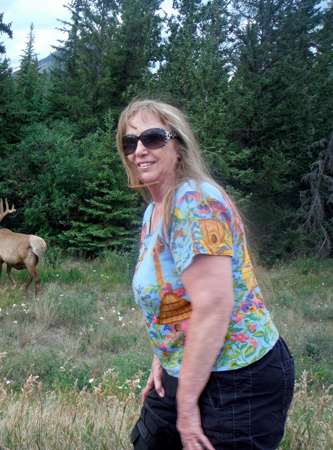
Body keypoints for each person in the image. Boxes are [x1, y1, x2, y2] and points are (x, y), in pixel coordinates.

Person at [116, 99, 295, 450]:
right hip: (188, 368)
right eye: (129, 143)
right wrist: (163, 355)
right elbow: (176, 293)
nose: (139, 150)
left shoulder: (194, 201)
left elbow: (214, 306)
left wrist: (185, 406)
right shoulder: (154, 211)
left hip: (238, 379)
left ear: (178, 146)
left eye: (152, 138)